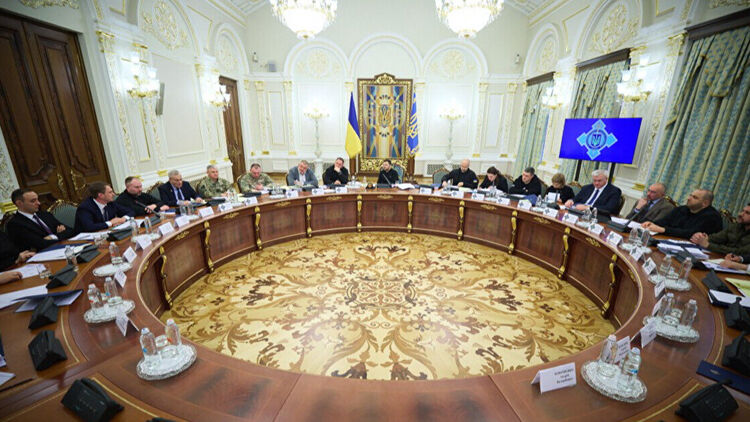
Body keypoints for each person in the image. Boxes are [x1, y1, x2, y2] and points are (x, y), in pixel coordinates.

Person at [6, 188, 75, 251]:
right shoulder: (15, 224)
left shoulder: (44, 214)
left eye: (37, 199)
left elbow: (70, 231)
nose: (38, 203)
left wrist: (53, 236)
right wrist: (61, 234)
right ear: (19, 203)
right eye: (33, 201)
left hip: (64, 248)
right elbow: (41, 244)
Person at [641, 189, 722, 239]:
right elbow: (665, 221)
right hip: (670, 240)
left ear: (705, 203)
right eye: (690, 195)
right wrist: (652, 223)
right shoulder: (682, 209)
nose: (688, 198)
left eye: (694, 197)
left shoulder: (712, 217)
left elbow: (690, 233)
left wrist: (664, 230)